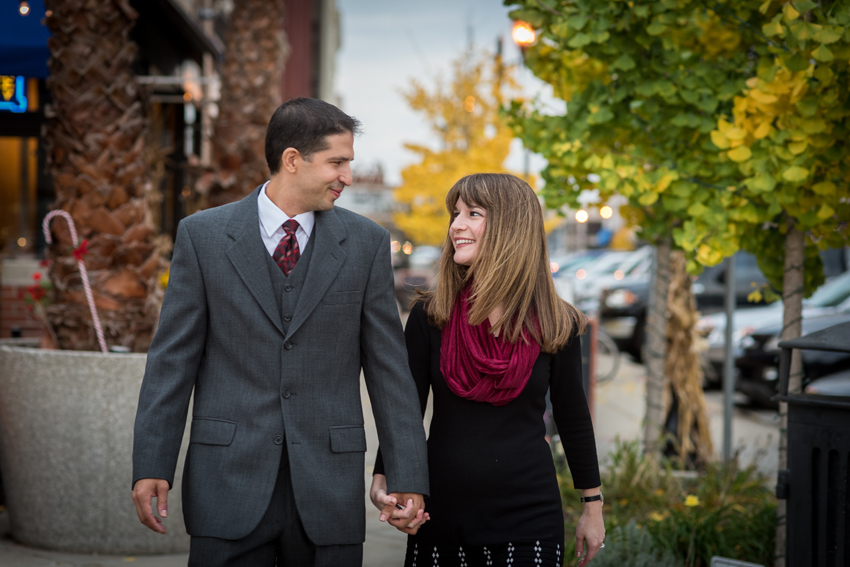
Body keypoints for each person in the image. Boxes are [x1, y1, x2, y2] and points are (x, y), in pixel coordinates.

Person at [131, 97, 429, 567]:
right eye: (337, 162)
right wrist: (151, 464)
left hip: (329, 486)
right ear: (293, 160)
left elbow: (389, 369)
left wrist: (407, 473)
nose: (347, 177)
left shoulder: (367, 244)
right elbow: (172, 362)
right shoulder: (202, 236)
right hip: (226, 481)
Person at [370, 173, 606, 566]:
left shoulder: (556, 321)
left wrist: (592, 508)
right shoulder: (431, 315)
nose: (456, 225)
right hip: (441, 510)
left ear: (511, 227)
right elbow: (404, 411)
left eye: (473, 213)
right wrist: (388, 477)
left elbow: (573, 418)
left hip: (529, 517)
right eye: (455, 213)